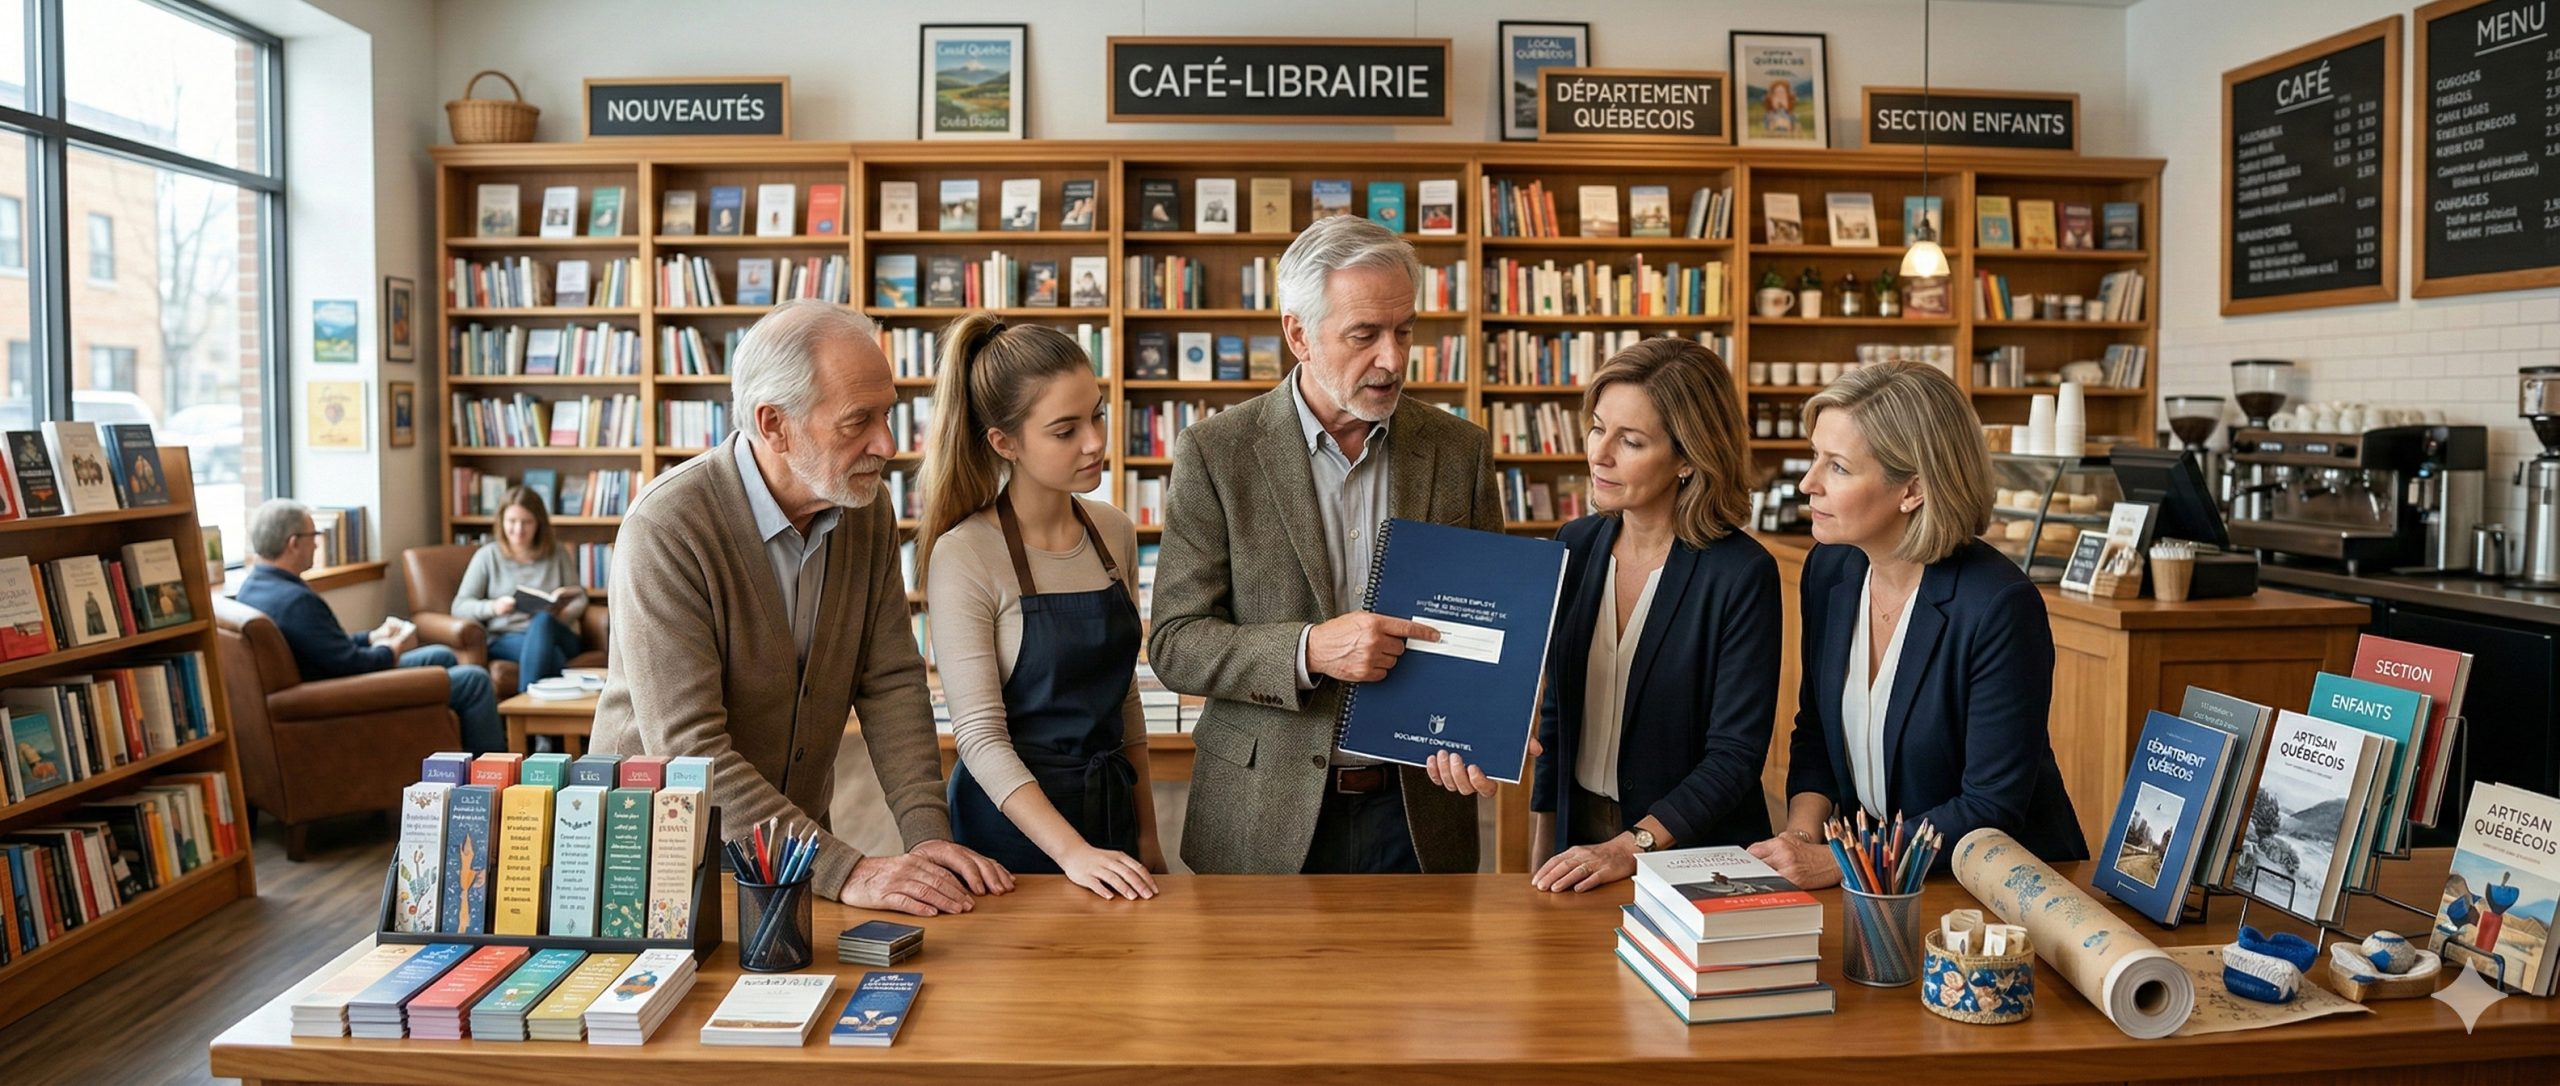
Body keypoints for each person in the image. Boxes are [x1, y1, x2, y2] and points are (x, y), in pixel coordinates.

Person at [589, 299, 1013, 917]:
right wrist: (847, 869)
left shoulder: (865, 509)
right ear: (774, 425)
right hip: (663, 853)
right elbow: (689, 748)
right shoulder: (669, 526)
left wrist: (928, 838)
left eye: (888, 415)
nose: (887, 444)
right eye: (856, 421)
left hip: (792, 849)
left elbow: (891, 681)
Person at [1148, 215, 1504, 875]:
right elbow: (1175, 643)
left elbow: (1483, 632)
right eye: (1364, 334)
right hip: (1260, 816)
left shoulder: (1461, 451)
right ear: (1298, 334)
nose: (1393, 359)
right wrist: (1309, 650)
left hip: (1418, 816)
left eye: (1405, 331)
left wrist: (1485, 726)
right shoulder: (1218, 454)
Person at [1423, 338, 1779, 891]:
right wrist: (1545, 833)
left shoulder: (1740, 572)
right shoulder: (1576, 545)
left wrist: (1629, 846)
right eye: (1597, 427)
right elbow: (1559, 711)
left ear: (1689, 458)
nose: (1599, 453)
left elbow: (1734, 758)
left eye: (1630, 440)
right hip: (1580, 836)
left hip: (1691, 854)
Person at [1747, 361, 2087, 888]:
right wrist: (1800, 838)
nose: (1806, 483)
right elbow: (1814, 730)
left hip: (1996, 891)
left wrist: (1844, 859)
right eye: (1816, 457)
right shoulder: (1831, 569)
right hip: (1884, 881)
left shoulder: (1999, 605)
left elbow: (1989, 806)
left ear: (1913, 490)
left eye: (1836, 466)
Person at [920, 314, 1162, 901]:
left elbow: (1122, 695)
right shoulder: (965, 554)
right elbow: (978, 738)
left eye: (1097, 414)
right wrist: (1073, 853)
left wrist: (1149, 835)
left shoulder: (1114, 532)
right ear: (1005, 443)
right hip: (1010, 839)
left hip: (1109, 823)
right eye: (1065, 430)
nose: (1095, 441)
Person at [235, 498, 503, 752]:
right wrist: (394, 648)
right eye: (314, 536)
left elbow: (324, 647)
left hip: (331, 681)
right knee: (475, 680)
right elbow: (352, 665)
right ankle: (492, 779)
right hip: (347, 695)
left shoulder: (254, 588)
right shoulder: (295, 601)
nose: (317, 545)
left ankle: (456, 762)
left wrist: (372, 637)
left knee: (441, 655)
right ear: (293, 543)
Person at [448, 486, 589, 687]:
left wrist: (563, 613)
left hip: (558, 632)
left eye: (527, 522)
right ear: (501, 522)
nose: (519, 529)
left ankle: (526, 708)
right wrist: (493, 607)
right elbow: (459, 606)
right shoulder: (487, 556)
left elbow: (580, 597)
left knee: (543, 619)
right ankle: (533, 706)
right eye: (512, 522)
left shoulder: (557, 553)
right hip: (506, 638)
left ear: (539, 523)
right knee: (554, 657)